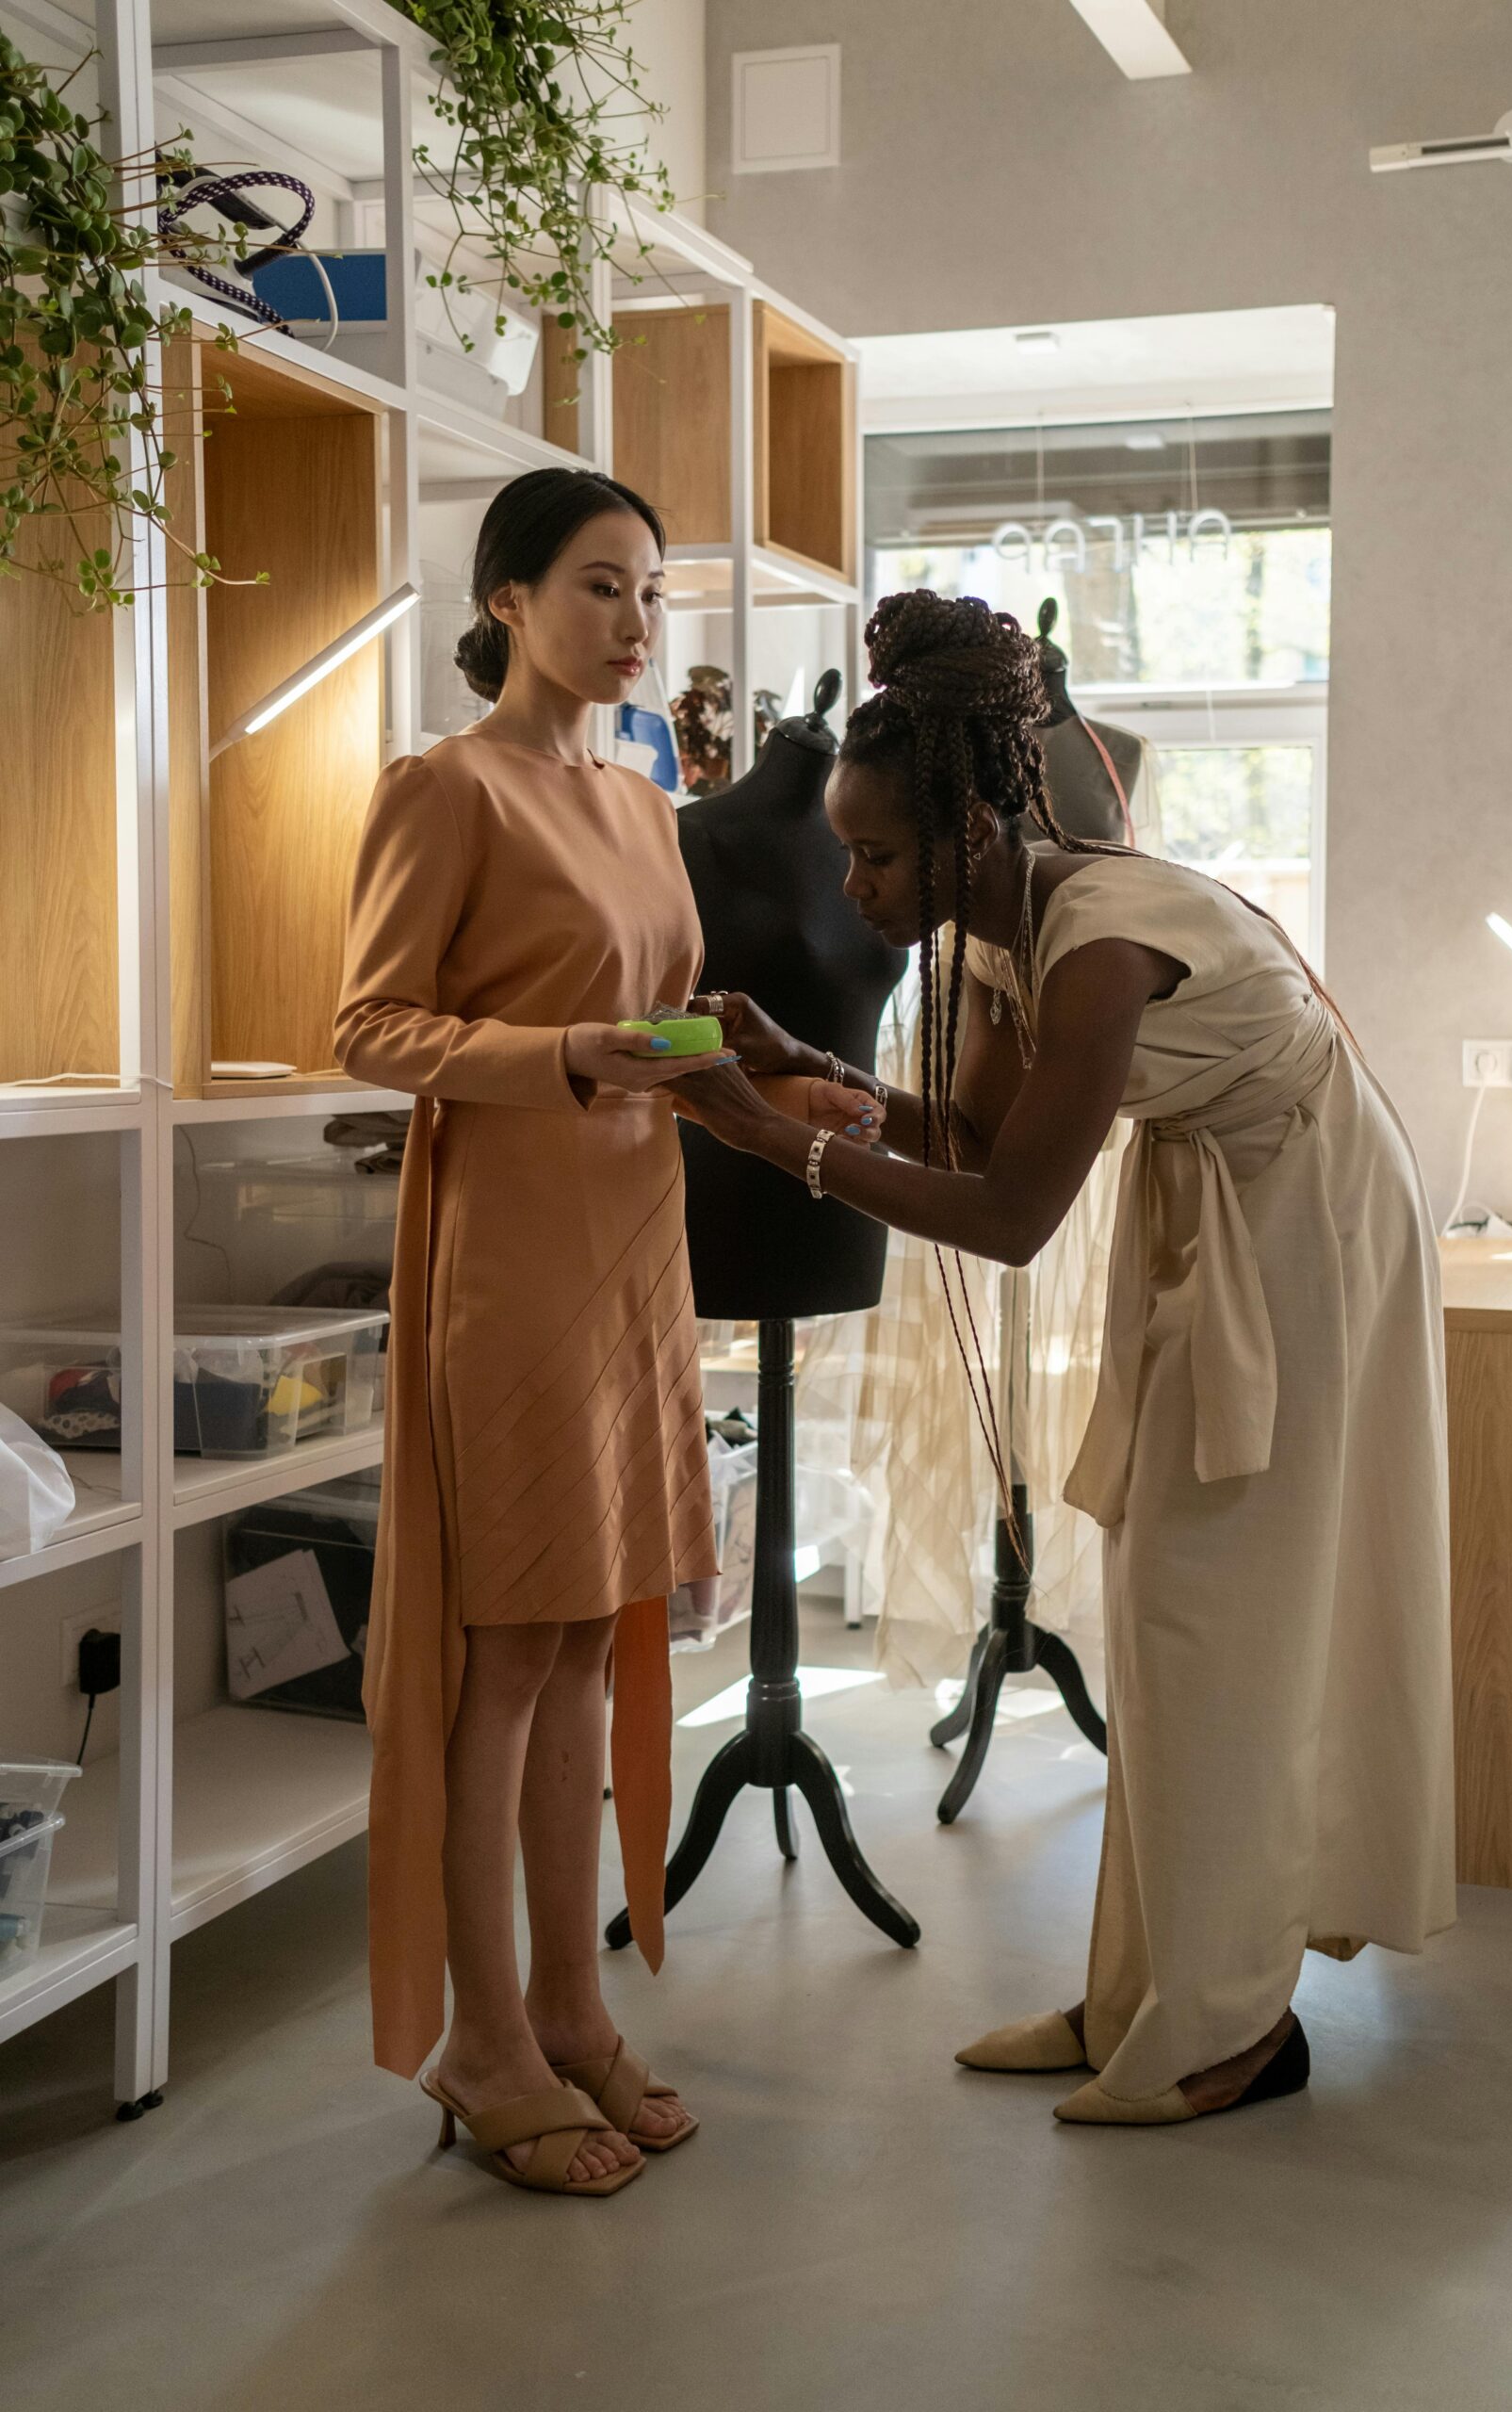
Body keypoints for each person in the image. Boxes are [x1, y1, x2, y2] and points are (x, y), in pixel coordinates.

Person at [675, 590, 1455, 2128]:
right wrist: (812, 1074)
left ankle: (1230, 2025)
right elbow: (972, 1134)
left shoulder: (1102, 938)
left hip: (1309, 1235)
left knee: (1218, 1621)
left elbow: (1017, 1215)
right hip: (1218, 1219)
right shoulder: (992, 934)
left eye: (879, 854)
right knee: (1170, 1625)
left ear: (972, 826)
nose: (854, 883)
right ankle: (1140, 2000)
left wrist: (775, 1144)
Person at [333, 469, 878, 2196]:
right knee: (507, 1652)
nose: (637, 622)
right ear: (505, 600)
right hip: (510, 1250)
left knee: (591, 1635)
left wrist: (757, 1057)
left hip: (640, 1241)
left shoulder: (650, 803)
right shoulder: (444, 789)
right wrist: (564, 1056)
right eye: (598, 587)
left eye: (651, 592)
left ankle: (570, 2009)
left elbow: (657, 1017)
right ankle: (479, 2041)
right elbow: (370, 1025)